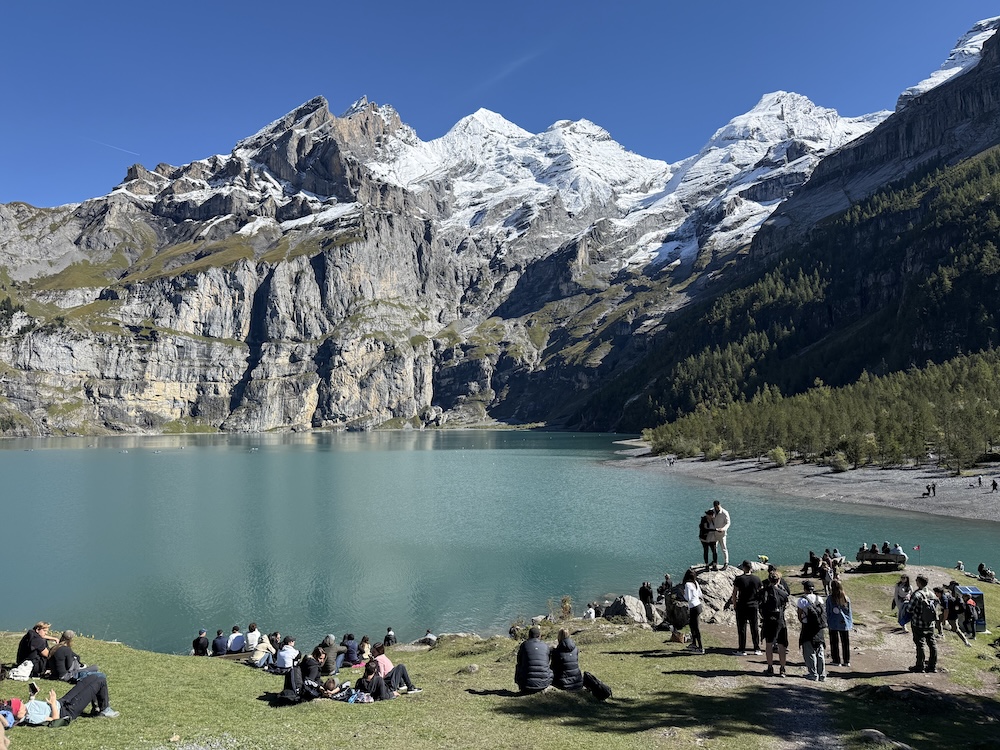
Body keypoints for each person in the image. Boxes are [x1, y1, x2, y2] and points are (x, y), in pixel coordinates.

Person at [10, 674, 119, 723]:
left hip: (61, 703)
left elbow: (33, 705)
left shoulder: (26, 709)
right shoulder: (31, 717)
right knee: (101, 681)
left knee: (95, 676)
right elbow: (55, 720)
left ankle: (97, 708)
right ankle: (104, 710)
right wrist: (52, 703)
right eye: (21, 707)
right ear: (18, 714)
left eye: (22, 703)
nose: (23, 705)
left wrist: (32, 695)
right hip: (67, 711)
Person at [759, 567, 790, 677]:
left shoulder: (764, 592)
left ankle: (770, 667)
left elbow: (760, 606)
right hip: (780, 620)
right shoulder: (783, 593)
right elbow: (785, 602)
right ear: (778, 580)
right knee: (782, 645)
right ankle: (782, 668)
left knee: (769, 645)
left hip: (768, 620)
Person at [908, 575, 938, 673]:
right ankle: (932, 666)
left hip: (918, 623)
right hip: (930, 624)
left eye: (916, 580)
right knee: (932, 644)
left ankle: (920, 666)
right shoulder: (932, 594)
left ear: (919, 583)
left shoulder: (917, 595)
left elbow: (909, 609)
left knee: (920, 644)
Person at [731, 560, 762, 656]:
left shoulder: (739, 579)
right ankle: (757, 648)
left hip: (742, 605)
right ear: (751, 568)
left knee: (742, 628)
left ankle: (742, 649)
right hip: (753, 605)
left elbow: (735, 593)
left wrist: (735, 604)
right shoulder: (757, 579)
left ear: (744, 567)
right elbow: (760, 592)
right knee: (754, 627)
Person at [797, 583, 826, 682]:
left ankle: (813, 674)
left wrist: (802, 621)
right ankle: (822, 674)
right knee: (820, 651)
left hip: (807, 628)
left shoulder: (802, 600)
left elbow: (800, 615)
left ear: (805, 589)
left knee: (809, 651)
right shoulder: (820, 598)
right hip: (819, 628)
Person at [514, 626, 552, 693]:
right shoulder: (545, 646)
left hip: (526, 685)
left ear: (529, 636)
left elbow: (519, 661)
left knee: (518, 666)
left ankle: (521, 684)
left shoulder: (524, 645)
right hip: (544, 683)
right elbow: (548, 661)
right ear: (539, 636)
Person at [826, 580, 853, 668]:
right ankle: (846, 660)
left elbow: (828, 611)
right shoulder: (846, 598)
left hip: (833, 622)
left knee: (834, 642)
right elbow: (849, 612)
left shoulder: (830, 598)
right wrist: (849, 623)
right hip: (844, 623)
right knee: (845, 642)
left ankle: (836, 660)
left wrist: (828, 620)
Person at [682, 569, 705, 654]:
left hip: (693, 607)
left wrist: (683, 594)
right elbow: (699, 594)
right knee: (692, 625)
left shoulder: (687, 584)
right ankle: (694, 643)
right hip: (698, 605)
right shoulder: (695, 583)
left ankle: (701, 647)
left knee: (696, 627)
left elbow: (688, 598)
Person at [712, 500, 731, 569]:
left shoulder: (725, 513)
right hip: (714, 533)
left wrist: (723, 529)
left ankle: (726, 562)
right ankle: (714, 562)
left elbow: (728, 523)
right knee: (714, 548)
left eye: (718, 507)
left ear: (720, 505)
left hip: (722, 534)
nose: (717, 508)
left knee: (724, 548)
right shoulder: (711, 511)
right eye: (715, 507)